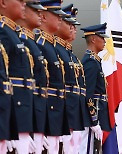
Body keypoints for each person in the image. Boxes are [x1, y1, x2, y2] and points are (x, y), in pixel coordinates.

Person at [54, 4, 91, 154]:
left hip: (75, 116)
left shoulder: (71, 55)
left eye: (74, 25)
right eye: (69, 24)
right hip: (62, 115)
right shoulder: (55, 50)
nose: (73, 28)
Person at [0, 0, 35, 153]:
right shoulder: (4, 32)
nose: (24, 4)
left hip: (16, 112)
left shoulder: (10, 33)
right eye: (20, 1)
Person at [35, 0, 70, 153]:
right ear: (43, 16)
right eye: (56, 15)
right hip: (46, 112)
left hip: (56, 113)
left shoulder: (51, 47)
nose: (60, 19)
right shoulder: (40, 44)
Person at [15, 1, 49, 153]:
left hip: (34, 115)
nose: (40, 15)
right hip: (22, 117)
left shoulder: (31, 42)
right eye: (36, 11)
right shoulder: (19, 40)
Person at [80, 23, 111, 154]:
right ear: (93, 39)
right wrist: (93, 120)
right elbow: (88, 93)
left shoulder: (96, 61)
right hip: (92, 116)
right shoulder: (91, 62)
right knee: (88, 149)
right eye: (102, 37)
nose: (104, 41)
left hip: (98, 114)